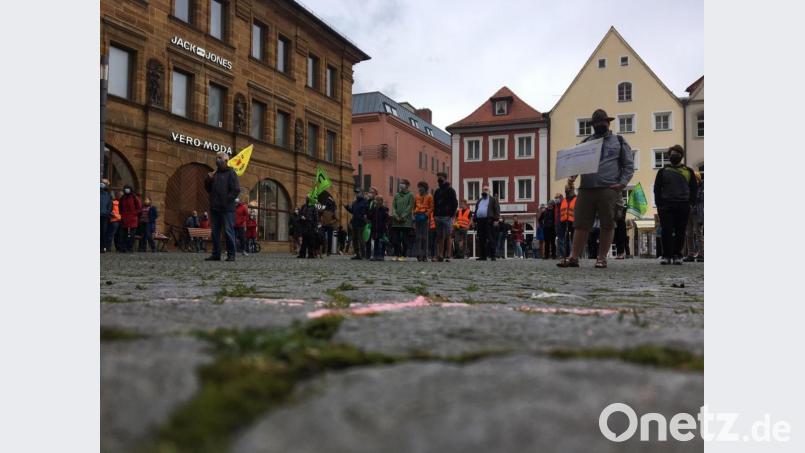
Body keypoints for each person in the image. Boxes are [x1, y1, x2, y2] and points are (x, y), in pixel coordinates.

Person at [558, 109, 634, 268]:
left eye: (602, 122)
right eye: (596, 123)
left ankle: (601, 258)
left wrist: (622, 183)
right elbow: (575, 164)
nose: (600, 125)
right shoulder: (586, 142)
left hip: (609, 189)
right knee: (580, 224)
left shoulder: (619, 140)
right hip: (586, 189)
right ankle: (574, 257)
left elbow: (628, 165)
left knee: (608, 224)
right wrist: (571, 176)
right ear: (593, 125)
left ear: (608, 123)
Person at [654, 144, 699, 265]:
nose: (675, 156)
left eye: (677, 154)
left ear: (681, 156)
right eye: (673, 154)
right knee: (666, 230)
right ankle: (666, 255)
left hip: (683, 205)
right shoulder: (662, 171)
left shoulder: (688, 171)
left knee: (680, 231)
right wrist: (659, 204)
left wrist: (691, 203)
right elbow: (657, 188)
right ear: (669, 156)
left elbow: (694, 188)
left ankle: (677, 255)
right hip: (666, 206)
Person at [204, 151, 240, 261]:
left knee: (228, 231)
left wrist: (226, 201)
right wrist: (208, 180)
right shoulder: (215, 174)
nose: (217, 160)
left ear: (226, 160)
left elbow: (236, 190)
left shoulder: (231, 173)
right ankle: (216, 254)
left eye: (219, 158)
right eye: (216, 158)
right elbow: (208, 189)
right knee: (215, 232)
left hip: (227, 209)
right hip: (215, 208)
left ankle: (231, 254)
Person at [432, 172, 458, 262]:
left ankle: (448, 255)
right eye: (438, 177)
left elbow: (455, 203)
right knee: (439, 236)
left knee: (448, 236)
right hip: (438, 216)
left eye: (441, 178)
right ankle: (440, 255)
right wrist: (434, 215)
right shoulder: (437, 191)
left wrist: (451, 214)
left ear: (445, 178)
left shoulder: (451, 190)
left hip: (447, 216)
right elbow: (434, 204)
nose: (439, 179)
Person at [473, 184, 500, 261]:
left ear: (489, 191)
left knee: (490, 238)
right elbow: (476, 210)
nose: (484, 191)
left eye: (486, 189)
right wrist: (474, 220)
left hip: (489, 221)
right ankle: (483, 256)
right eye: (483, 189)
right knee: (481, 239)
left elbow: (497, 210)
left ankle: (493, 255)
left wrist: (496, 220)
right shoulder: (479, 200)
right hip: (480, 221)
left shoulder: (493, 199)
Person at [391, 179, 414, 261]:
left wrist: (403, 216)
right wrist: (396, 216)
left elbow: (410, 206)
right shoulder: (396, 195)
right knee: (395, 239)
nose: (401, 185)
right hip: (396, 221)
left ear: (407, 185)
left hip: (406, 222)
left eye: (403, 183)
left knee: (404, 239)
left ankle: (403, 255)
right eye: (401, 183)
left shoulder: (410, 195)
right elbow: (393, 206)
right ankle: (396, 254)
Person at [683, 173, 704, 262]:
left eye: (695, 179)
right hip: (688, 212)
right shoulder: (688, 188)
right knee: (689, 234)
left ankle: (701, 254)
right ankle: (690, 254)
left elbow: (701, 201)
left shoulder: (702, 188)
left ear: (698, 179)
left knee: (698, 233)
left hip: (697, 213)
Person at [345, 189, 369, 260]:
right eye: (356, 193)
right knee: (354, 239)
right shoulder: (354, 202)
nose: (357, 194)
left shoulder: (365, 202)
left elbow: (366, 211)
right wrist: (347, 208)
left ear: (362, 193)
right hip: (354, 222)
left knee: (361, 239)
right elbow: (353, 211)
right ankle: (357, 254)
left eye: (358, 192)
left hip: (361, 223)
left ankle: (363, 254)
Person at [413, 181, 433, 262]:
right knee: (418, 237)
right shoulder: (417, 196)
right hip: (417, 216)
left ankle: (425, 255)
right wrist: (414, 213)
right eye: (419, 187)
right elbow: (413, 206)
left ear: (425, 188)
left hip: (424, 217)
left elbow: (432, 207)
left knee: (424, 237)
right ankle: (418, 254)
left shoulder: (429, 197)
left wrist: (426, 215)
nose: (420, 189)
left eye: (421, 187)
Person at [119, 184, 142, 253]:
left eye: (128, 188)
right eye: (126, 188)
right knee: (123, 235)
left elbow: (139, 207)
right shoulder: (122, 198)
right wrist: (122, 214)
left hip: (133, 219)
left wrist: (134, 213)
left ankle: (130, 248)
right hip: (124, 219)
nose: (127, 190)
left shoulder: (134, 197)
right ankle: (123, 248)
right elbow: (120, 207)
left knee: (132, 235)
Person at [368, 196, 390, 261]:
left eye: (379, 200)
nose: (377, 202)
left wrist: (385, 226)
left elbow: (387, 219)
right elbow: (369, 216)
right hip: (375, 228)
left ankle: (381, 255)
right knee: (376, 242)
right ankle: (375, 255)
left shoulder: (384, 209)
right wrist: (372, 208)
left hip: (382, 228)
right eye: (376, 200)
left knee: (382, 242)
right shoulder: (374, 209)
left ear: (381, 201)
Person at [557, 185, 576, 259]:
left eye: (568, 189)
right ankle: (565, 255)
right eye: (566, 190)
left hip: (573, 221)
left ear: (572, 190)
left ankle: (573, 255)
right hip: (564, 221)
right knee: (565, 239)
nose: (567, 191)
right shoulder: (563, 200)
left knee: (573, 239)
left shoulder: (576, 199)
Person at [100, 179, 113, 253]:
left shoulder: (108, 195)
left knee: (103, 232)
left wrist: (107, 213)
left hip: (104, 216)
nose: (102, 184)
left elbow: (110, 206)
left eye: (104, 183)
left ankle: (102, 247)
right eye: (101, 182)